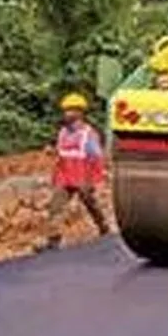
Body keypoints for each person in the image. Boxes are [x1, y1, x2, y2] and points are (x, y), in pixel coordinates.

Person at [43, 93, 110, 250]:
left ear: (80, 112)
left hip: (82, 175)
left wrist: (95, 177)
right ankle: (53, 239)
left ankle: (103, 226)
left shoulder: (88, 133)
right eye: (66, 110)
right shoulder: (62, 132)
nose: (67, 114)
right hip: (64, 175)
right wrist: (52, 151)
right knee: (55, 206)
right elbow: (60, 150)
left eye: (71, 110)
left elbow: (96, 156)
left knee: (90, 203)